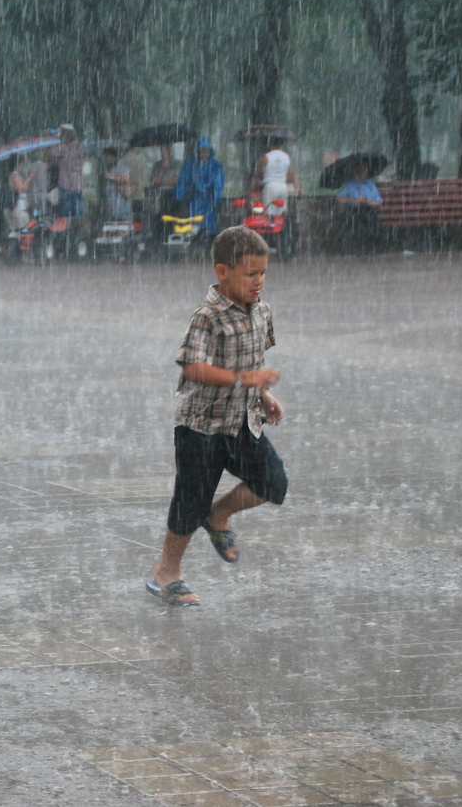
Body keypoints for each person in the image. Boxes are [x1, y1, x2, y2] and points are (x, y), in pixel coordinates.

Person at [146, 226, 288, 606]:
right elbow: (193, 367)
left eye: (262, 274)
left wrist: (263, 393)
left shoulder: (262, 312)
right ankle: (166, 572)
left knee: (273, 483)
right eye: (249, 274)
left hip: (242, 422)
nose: (258, 282)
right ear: (222, 272)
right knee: (189, 500)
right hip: (201, 427)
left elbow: (254, 362)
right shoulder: (207, 317)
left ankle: (219, 515)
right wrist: (246, 379)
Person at [174, 136, 226, 242]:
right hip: (194, 198)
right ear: (198, 151)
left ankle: (208, 238)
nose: (204, 154)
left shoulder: (215, 165)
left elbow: (218, 183)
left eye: (206, 151)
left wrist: (216, 197)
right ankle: (196, 240)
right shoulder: (191, 164)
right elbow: (183, 179)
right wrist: (180, 195)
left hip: (208, 199)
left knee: (208, 221)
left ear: (210, 151)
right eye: (202, 151)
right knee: (194, 221)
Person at [335, 160, 382, 252]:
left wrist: (368, 202)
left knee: (373, 221)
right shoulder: (349, 184)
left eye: (364, 170)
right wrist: (355, 200)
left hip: (368, 209)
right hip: (353, 210)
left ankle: (372, 247)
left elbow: (379, 201)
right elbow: (339, 198)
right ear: (355, 171)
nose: (363, 172)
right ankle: (353, 248)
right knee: (353, 221)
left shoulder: (370, 185)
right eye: (360, 170)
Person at [48, 123, 84, 223]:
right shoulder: (80, 147)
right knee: (78, 216)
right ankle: (79, 233)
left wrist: (56, 136)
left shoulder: (62, 148)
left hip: (66, 186)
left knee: (65, 217)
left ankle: (68, 235)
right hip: (78, 185)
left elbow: (51, 153)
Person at [251, 138, 299, 210]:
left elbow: (258, 174)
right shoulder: (286, 156)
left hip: (271, 187)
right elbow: (291, 173)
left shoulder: (266, 157)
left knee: (269, 211)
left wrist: (252, 186)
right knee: (281, 211)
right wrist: (296, 186)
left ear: (269, 145)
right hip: (283, 187)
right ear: (281, 145)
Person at [102, 146, 133, 222]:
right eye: (105, 157)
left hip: (122, 206)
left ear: (114, 156)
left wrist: (110, 176)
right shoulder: (109, 167)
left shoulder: (122, 164)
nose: (106, 159)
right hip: (112, 207)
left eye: (107, 157)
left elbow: (125, 178)